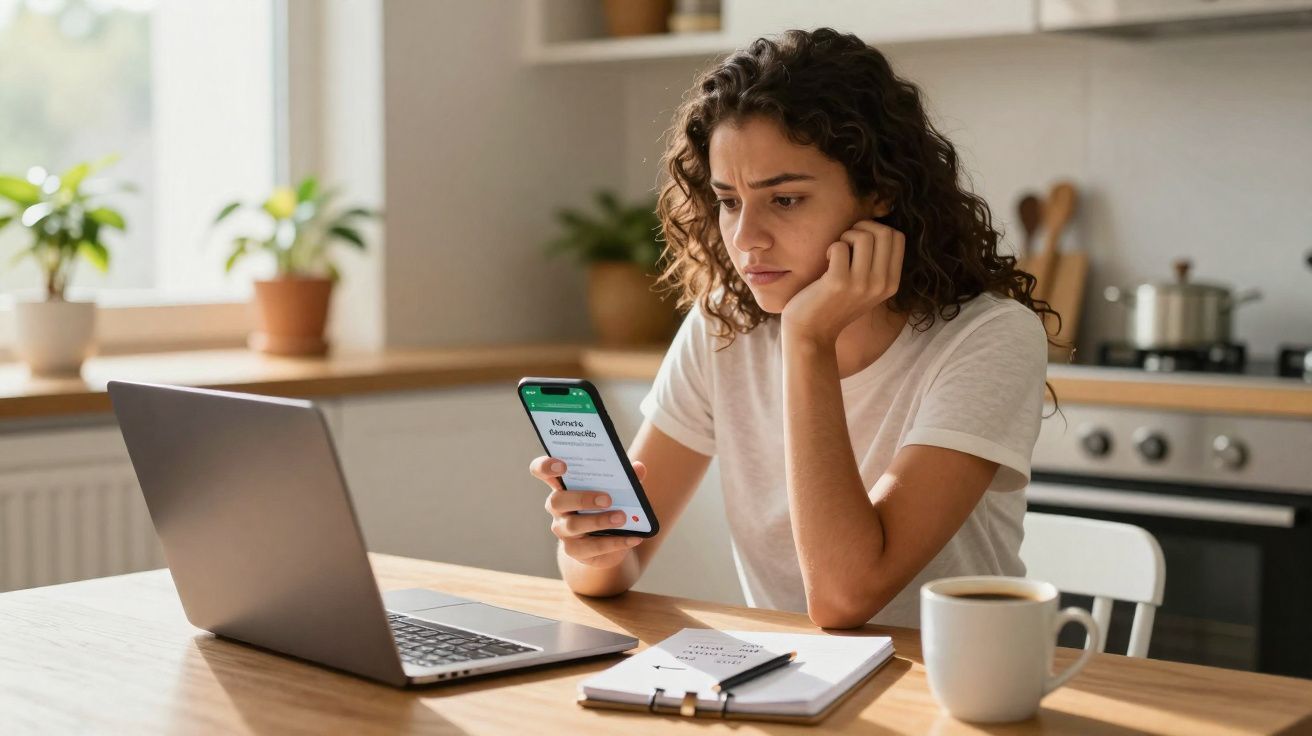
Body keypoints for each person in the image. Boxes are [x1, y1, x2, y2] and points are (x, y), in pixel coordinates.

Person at [528, 28, 1054, 629]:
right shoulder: (724, 325)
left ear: (880, 189)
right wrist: (589, 545)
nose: (746, 238)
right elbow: (613, 568)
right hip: (788, 675)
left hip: (947, 675)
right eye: (729, 202)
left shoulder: (988, 338)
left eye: (785, 200)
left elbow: (844, 597)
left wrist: (808, 339)